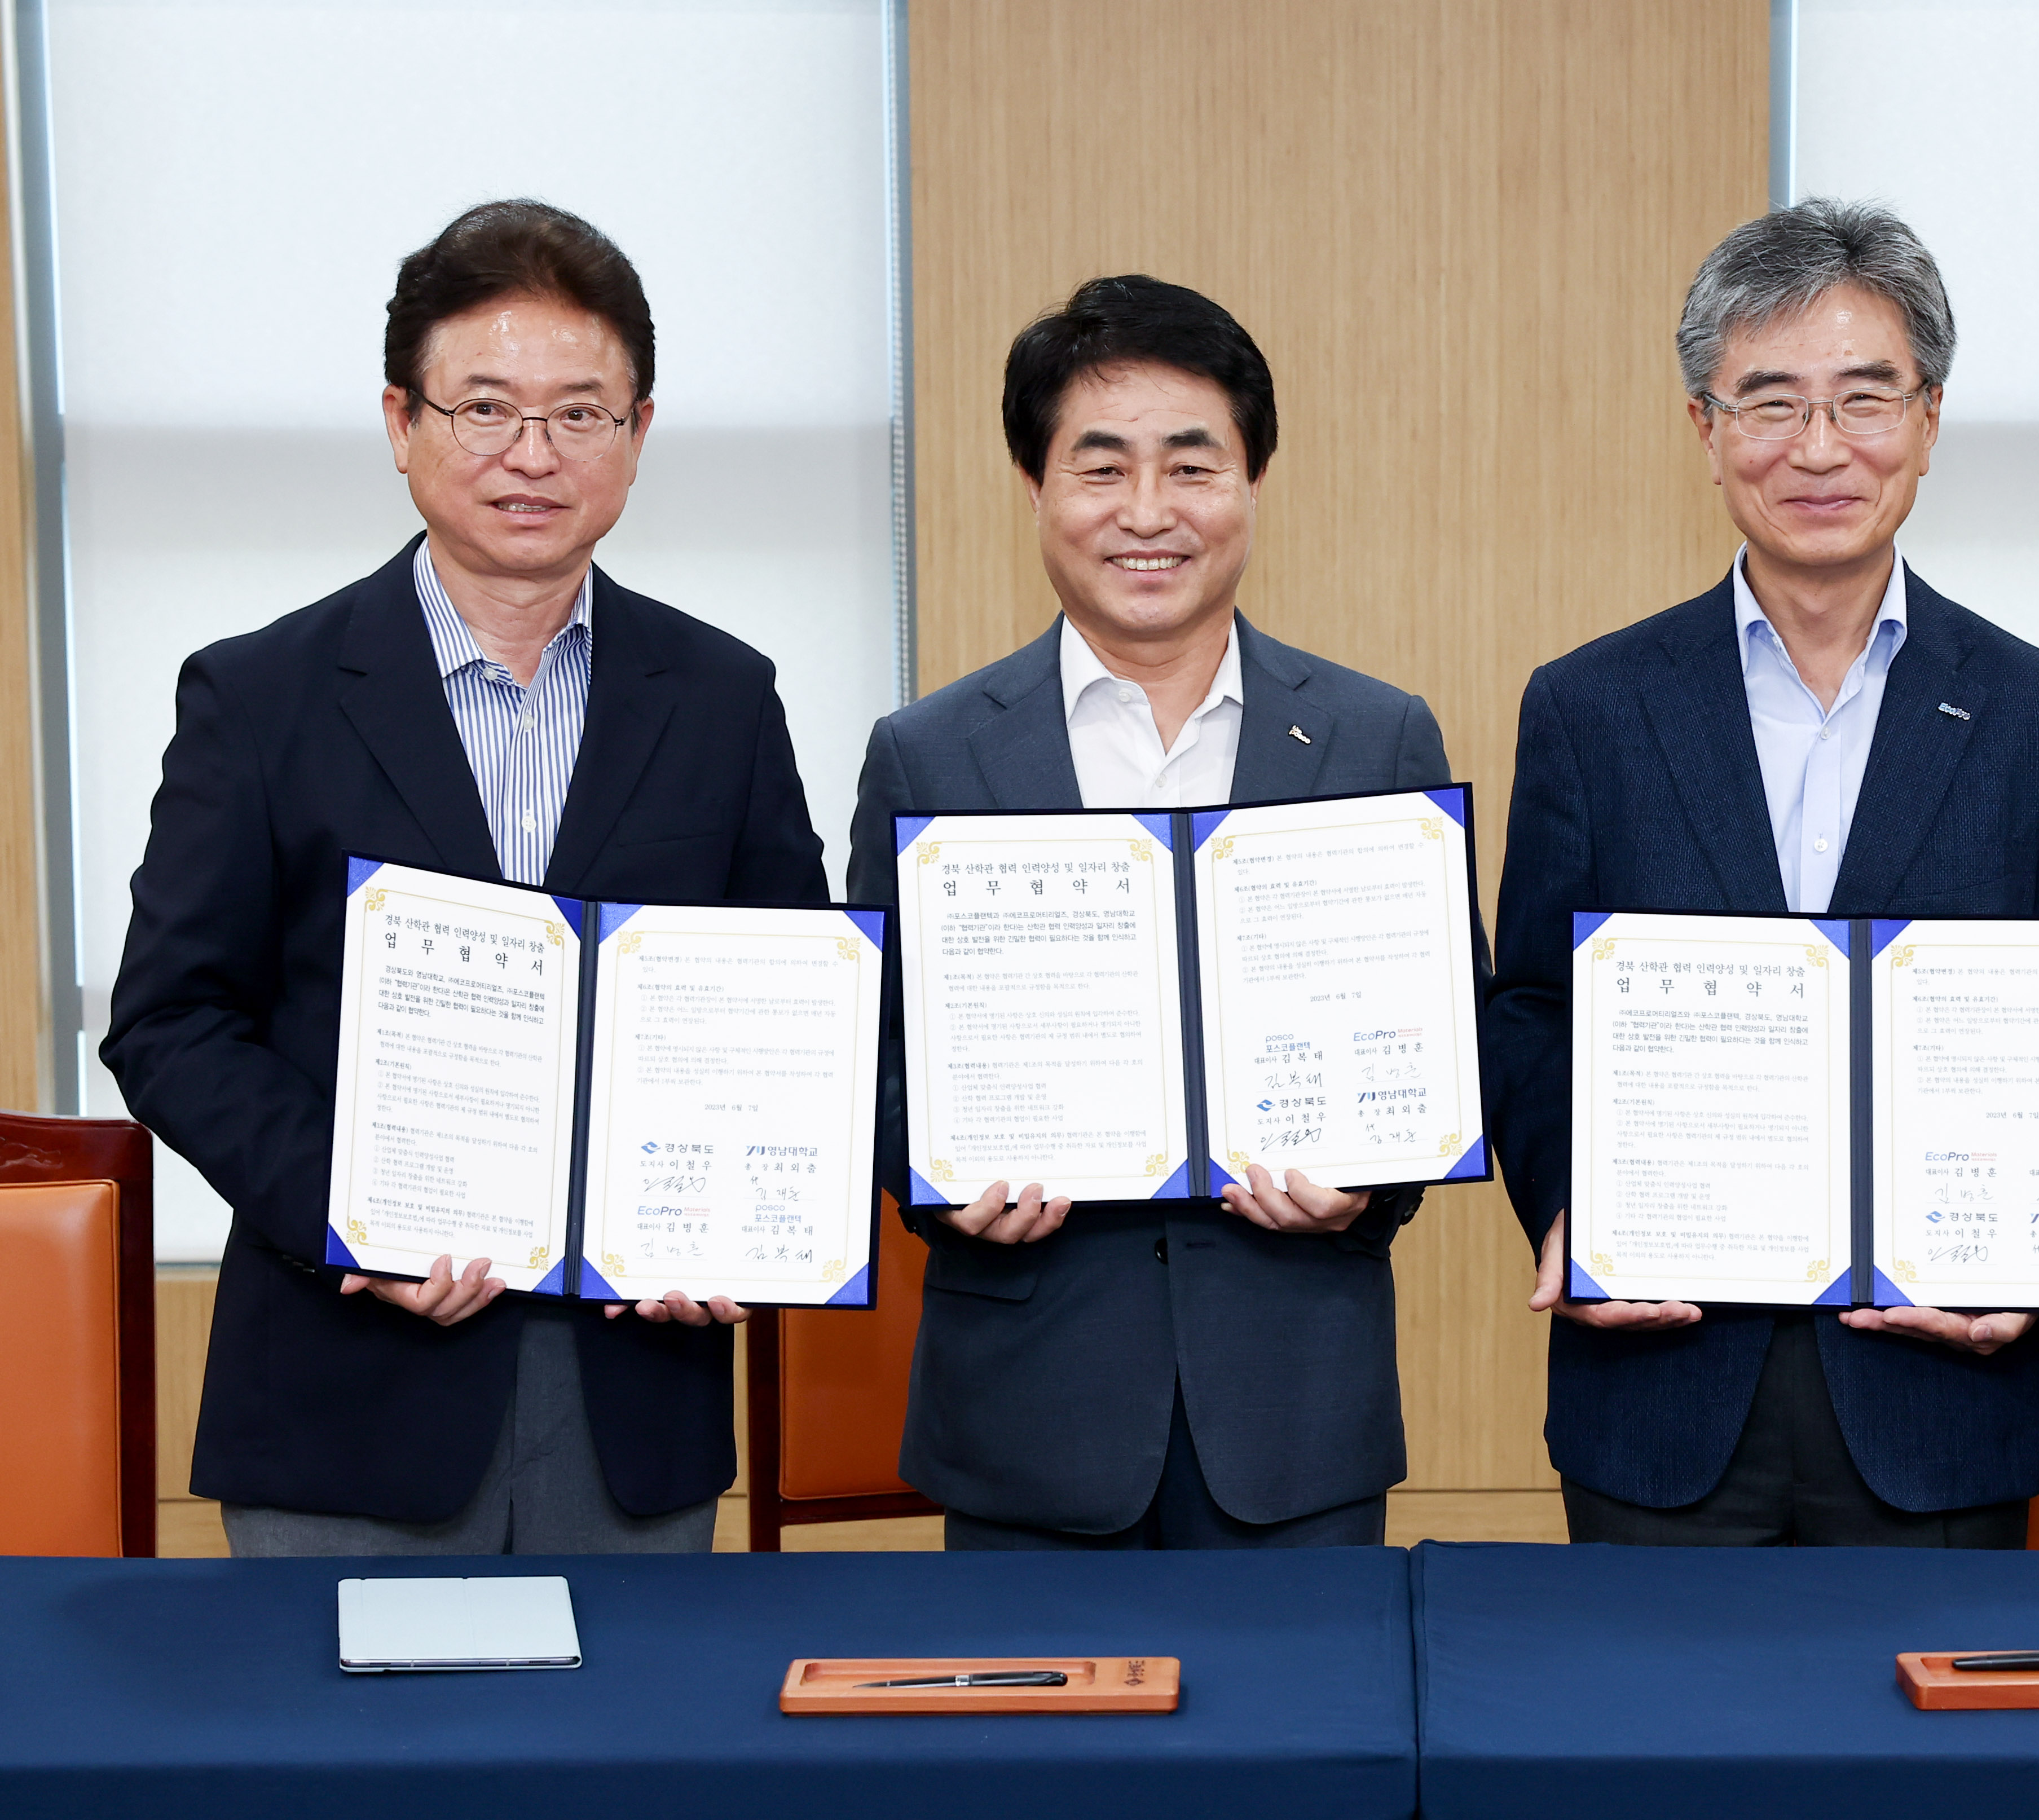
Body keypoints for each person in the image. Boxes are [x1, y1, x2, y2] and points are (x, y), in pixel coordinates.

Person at [102, 201, 829, 1554]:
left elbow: (789, 1009)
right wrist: (350, 1213)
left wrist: (734, 1232)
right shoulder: (260, 695)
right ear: (402, 422)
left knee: (633, 1707)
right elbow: (170, 1020)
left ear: (638, 435)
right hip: (345, 1403)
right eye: (484, 407)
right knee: (338, 1711)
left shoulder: (724, 698)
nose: (530, 455)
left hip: (633, 1400)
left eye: (579, 414)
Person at [1481, 201, 2039, 1546]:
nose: (1819, 448)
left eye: (1863, 399)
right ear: (1704, 427)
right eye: (1770, 403)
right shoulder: (1589, 707)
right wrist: (1567, 1206)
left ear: (1928, 420)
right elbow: (1533, 1005)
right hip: (1661, 1388)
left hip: (1936, 1395)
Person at [848, 275, 1460, 1549]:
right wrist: (939, 1182)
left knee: (1308, 1691)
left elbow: (1443, 1033)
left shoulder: (1374, 738)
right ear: (1034, 486)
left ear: (1252, 480)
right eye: (1100, 468)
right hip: (1029, 1410)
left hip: (1294, 1406)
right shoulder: (930, 755)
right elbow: (870, 1056)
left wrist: (1369, 1186)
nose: (1146, 513)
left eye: (1191, 467)